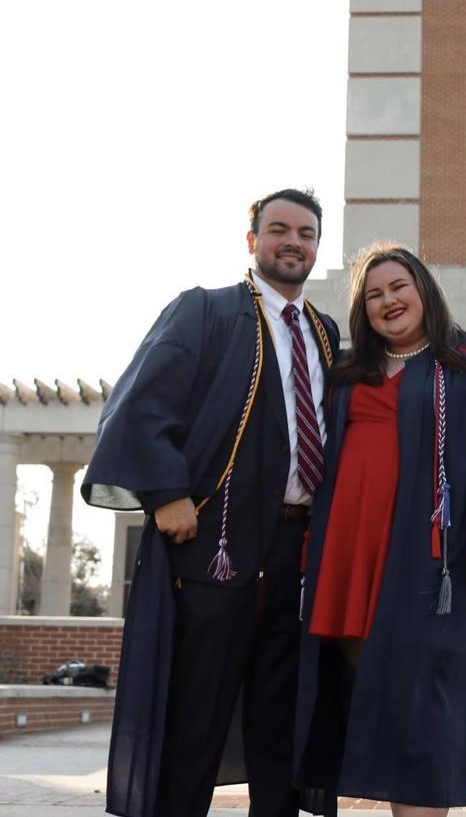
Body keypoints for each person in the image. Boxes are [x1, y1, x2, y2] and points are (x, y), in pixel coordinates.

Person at [81, 188, 339, 817]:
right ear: (252, 241)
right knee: (197, 713)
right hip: (215, 543)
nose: (293, 242)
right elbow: (143, 402)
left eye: (306, 234)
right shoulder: (206, 310)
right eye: (279, 229)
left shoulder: (324, 332)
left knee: (281, 718)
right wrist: (166, 493)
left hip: (298, 549)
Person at [293, 245, 466, 816]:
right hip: (350, 555)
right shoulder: (347, 373)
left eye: (398, 287)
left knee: (424, 712)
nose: (387, 301)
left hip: (432, 563)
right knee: (381, 703)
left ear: (424, 290)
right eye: (373, 295)